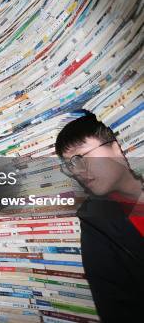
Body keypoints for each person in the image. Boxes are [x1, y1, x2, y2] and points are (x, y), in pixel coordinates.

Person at [55, 109, 143, 322]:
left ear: (117, 147)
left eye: (81, 157)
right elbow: (116, 308)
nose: (78, 171)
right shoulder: (94, 221)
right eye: (70, 165)